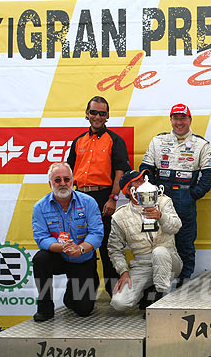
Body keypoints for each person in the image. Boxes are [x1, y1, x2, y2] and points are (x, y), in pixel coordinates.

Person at [140, 103, 211, 285]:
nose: (179, 122)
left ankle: (185, 278)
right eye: (176, 118)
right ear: (171, 120)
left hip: (185, 197)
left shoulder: (201, 144)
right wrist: (154, 193)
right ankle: (158, 280)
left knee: (185, 239)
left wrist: (194, 194)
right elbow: (145, 169)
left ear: (190, 120)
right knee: (159, 238)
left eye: (183, 118)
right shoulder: (158, 141)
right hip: (162, 198)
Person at [67, 96, 131, 297]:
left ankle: (116, 296)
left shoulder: (115, 140)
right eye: (93, 112)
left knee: (106, 246)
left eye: (102, 113)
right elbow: (69, 171)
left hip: (104, 197)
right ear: (87, 114)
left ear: (107, 116)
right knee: (81, 244)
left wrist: (113, 197)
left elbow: (121, 170)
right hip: (79, 198)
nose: (97, 117)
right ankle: (86, 294)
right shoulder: (78, 141)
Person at [32, 162, 103, 322]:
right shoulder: (40, 207)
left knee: (83, 310)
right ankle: (45, 308)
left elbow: (97, 234)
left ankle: (73, 293)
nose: (62, 184)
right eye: (57, 180)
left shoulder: (88, 202)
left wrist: (80, 249)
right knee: (40, 260)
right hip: (58, 255)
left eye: (66, 179)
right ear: (50, 183)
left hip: (82, 258)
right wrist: (62, 247)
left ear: (72, 181)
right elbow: (41, 238)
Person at [108, 169, 183, 311]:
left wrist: (161, 216)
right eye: (137, 181)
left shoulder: (163, 201)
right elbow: (114, 248)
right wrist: (123, 271)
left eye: (143, 178)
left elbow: (176, 227)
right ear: (129, 191)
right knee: (119, 303)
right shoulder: (120, 216)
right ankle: (145, 294)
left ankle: (161, 300)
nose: (143, 182)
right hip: (142, 265)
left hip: (169, 258)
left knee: (159, 252)